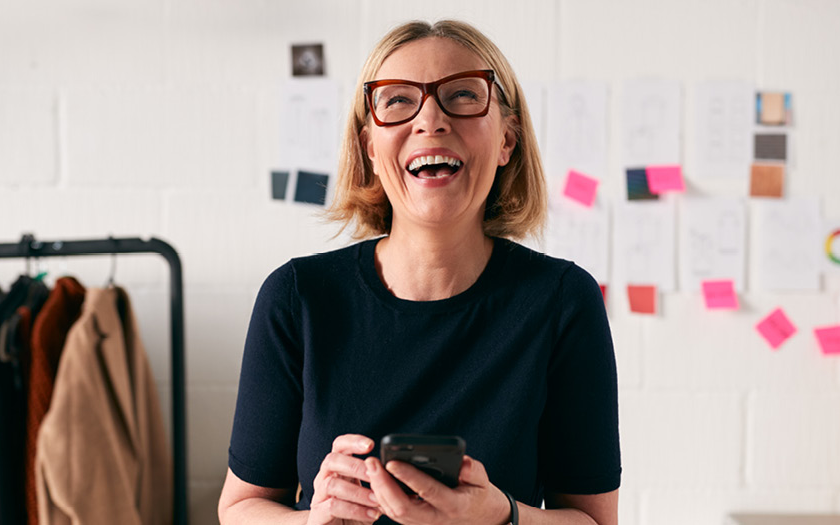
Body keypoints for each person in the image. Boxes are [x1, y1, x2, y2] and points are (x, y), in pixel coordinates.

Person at [219, 19, 620, 525]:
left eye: (463, 95)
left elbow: (595, 521)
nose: (430, 120)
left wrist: (503, 516)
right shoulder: (297, 297)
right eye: (398, 101)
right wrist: (311, 521)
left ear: (507, 142)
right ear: (369, 147)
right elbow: (239, 508)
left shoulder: (562, 300)